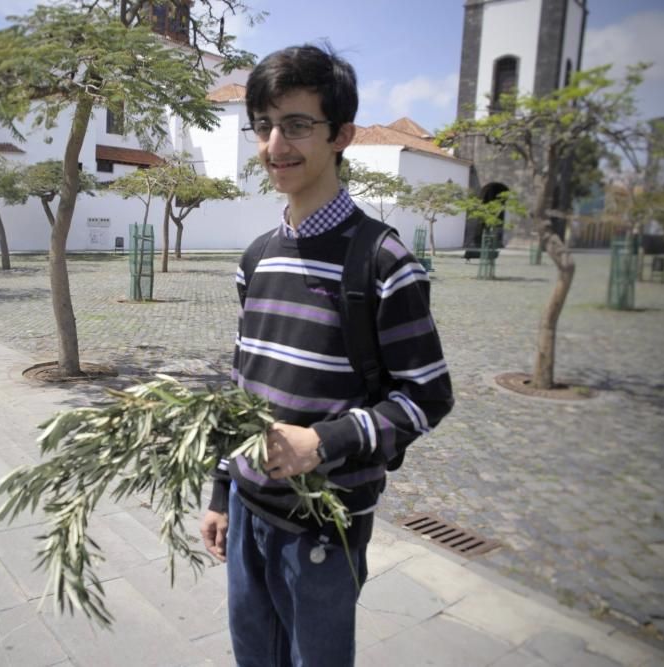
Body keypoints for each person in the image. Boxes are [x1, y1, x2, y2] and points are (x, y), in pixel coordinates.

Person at [199, 44, 454, 666]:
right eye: (264, 126)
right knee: (255, 656)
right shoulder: (257, 257)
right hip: (246, 508)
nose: (275, 144)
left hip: (324, 525)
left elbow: (427, 395)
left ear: (340, 134)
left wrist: (324, 442)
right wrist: (219, 489)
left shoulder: (382, 262)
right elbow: (243, 385)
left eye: (297, 124)